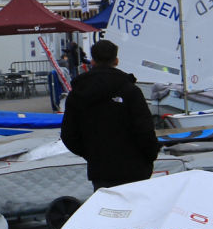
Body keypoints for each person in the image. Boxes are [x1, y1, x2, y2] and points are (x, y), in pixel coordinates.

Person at [60, 39, 160, 191]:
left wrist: (92, 154)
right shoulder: (130, 91)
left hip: (101, 171)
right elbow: (145, 129)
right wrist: (150, 156)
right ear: (116, 60)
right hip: (136, 168)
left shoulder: (78, 94)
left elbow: (68, 134)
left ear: (92, 61)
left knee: (109, 213)